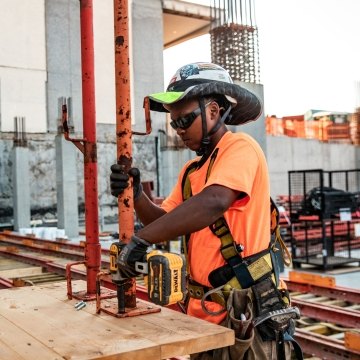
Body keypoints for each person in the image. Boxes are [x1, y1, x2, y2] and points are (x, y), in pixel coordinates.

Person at [110, 62, 302, 360]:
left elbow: (214, 202)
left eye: (185, 120)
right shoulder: (191, 171)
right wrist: (137, 196)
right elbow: (164, 221)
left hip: (244, 314)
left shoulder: (241, 148)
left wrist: (140, 240)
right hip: (204, 315)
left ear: (213, 111)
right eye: (174, 124)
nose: (179, 131)